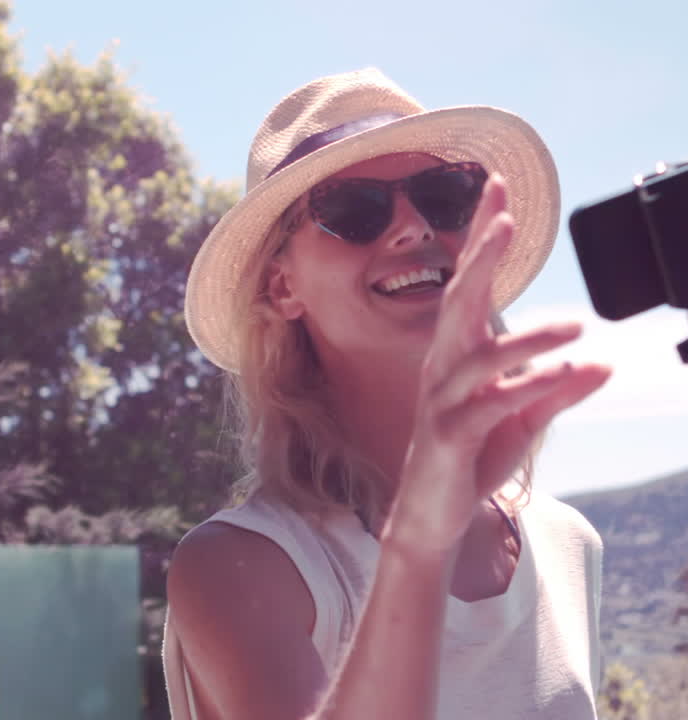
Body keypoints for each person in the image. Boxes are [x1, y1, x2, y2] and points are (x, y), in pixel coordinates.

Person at [162, 67, 613, 720]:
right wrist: (419, 543)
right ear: (283, 287)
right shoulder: (241, 566)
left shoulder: (569, 542)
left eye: (443, 195)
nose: (414, 227)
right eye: (353, 209)